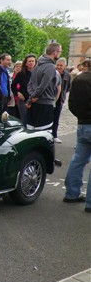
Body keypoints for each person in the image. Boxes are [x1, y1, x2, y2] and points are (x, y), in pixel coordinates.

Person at [63, 59, 91, 212]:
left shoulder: (79, 78)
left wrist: (80, 116)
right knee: (79, 159)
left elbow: (72, 103)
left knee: (78, 159)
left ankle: (72, 193)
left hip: (82, 123)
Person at [26, 43, 62, 131]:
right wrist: (33, 97)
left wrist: (32, 97)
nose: (60, 54)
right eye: (60, 52)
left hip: (35, 103)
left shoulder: (37, 65)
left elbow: (30, 85)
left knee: (32, 132)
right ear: (55, 52)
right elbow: (42, 86)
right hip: (44, 104)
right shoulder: (50, 67)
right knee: (43, 134)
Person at [11, 54, 37, 126]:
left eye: (33, 61)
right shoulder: (21, 74)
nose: (31, 63)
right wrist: (18, 93)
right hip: (23, 100)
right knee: (25, 119)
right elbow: (13, 85)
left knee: (34, 120)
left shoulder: (38, 73)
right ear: (26, 63)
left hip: (35, 100)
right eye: (29, 61)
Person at [53, 58, 72, 143]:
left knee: (56, 118)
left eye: (61, 65)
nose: (59, 67)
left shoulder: (67, 75)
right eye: (58, 65)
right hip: (51, 98)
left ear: (65, 66)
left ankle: (54, 135)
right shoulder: (52, 73)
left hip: (60, 99)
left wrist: (63, 95)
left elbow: (68, 87)